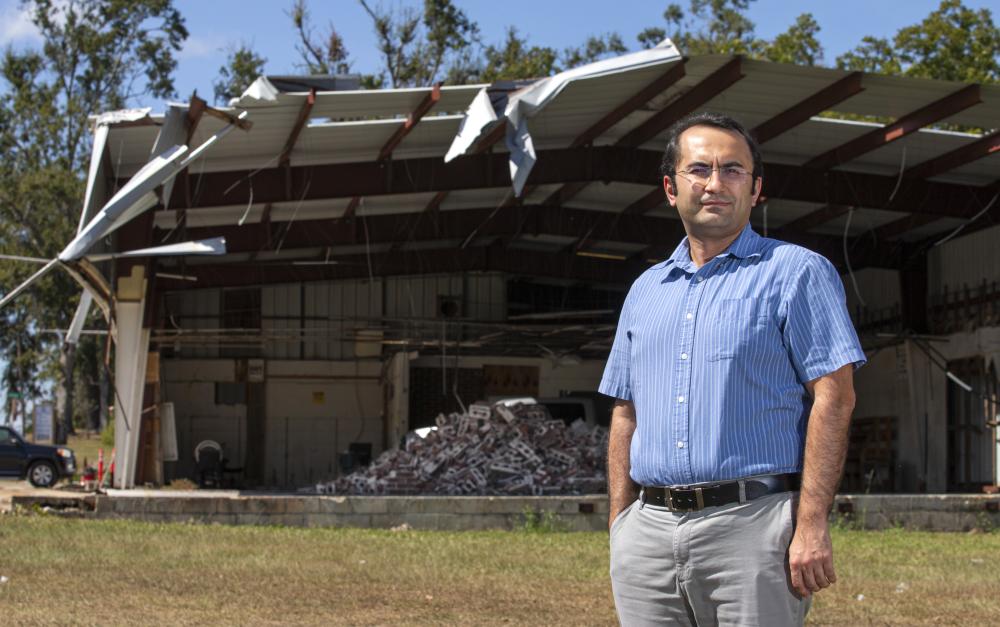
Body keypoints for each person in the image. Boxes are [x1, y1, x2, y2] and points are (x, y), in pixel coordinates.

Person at [600, 111, 865, 626]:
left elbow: (835, 397)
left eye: (733, 170)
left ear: (756, 188)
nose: (715, 183)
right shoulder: (645, 290)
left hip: (752, 526)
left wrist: (810, 524)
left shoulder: (796, 273)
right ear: (671, 188)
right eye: (698, 169)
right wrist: (620, 521)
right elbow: (625, 410)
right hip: (647, 533)